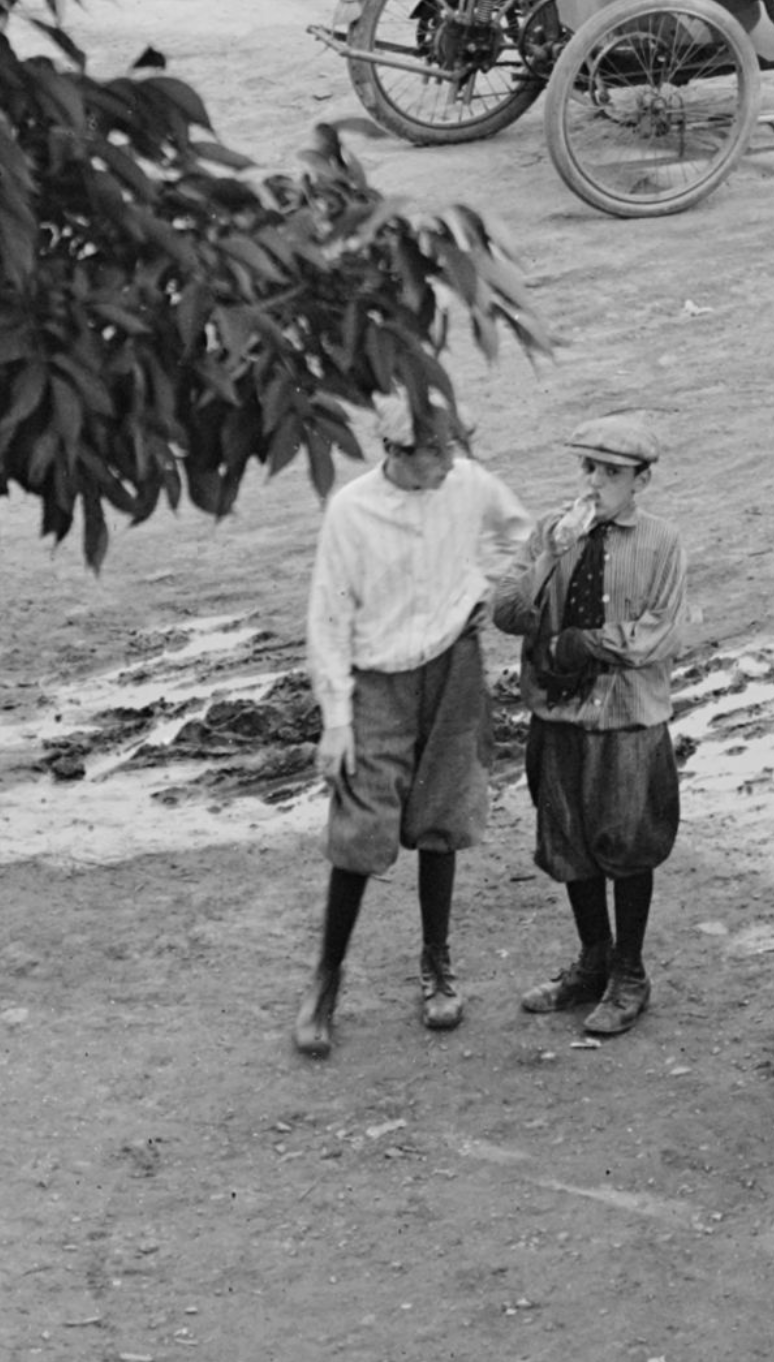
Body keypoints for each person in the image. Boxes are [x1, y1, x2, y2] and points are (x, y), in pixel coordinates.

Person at [294, 381, 531, 1057]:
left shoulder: (468, 483)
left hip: (454, 669)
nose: (453, 461)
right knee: (360, 830)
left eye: (454, 447)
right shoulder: (352, 511)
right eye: (439, 451)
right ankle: (326, 980)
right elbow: (328, 616)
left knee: (442, 815)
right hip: (377, 682)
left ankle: (436, 965)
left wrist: (484, 588)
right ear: (400, 450)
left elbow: (520, 533)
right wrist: (337, 719)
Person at [491, 416, 699, 1039]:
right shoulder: (551, 533)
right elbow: (506, 612)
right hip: (559, 715)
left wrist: (585, 643)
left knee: (628, 844)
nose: (595, 482)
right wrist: (552, 554)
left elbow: (659, 633)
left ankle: (630, 973)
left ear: (641, 481)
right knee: (570, 843)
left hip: (627, 717)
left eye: (612, 472)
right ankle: (593, 961)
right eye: (588, 468)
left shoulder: (661, 542)